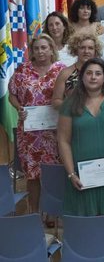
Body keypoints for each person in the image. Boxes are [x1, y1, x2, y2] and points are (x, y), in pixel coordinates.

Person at [57, 58, 104, 216]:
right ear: (82, 77)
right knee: (87, 224)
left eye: (98, 73)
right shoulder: (69, 104)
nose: (93, 77)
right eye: (89, 73)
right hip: (83, 175)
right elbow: (63, 141)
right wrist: (71, 173)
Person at [9, 34, 66, 216]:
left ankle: (52, 213)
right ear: (31, 51)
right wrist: (19, 108)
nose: (40, 51)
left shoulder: (61, 70)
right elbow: (12, 94)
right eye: (36, 48)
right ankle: (34, 212)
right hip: (30, 134)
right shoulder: (22, 71)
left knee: (53, 174)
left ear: (51, 49)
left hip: (55, 132)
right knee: (32, 175)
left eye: (44, 47)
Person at [52, 32, 104, 109]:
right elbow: (56, 101)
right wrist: (72, 106)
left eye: (90, 48)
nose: (86, 51)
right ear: (75, 50)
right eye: (82, 47)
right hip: (74, 118)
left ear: (95, 51)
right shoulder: (65, 74)